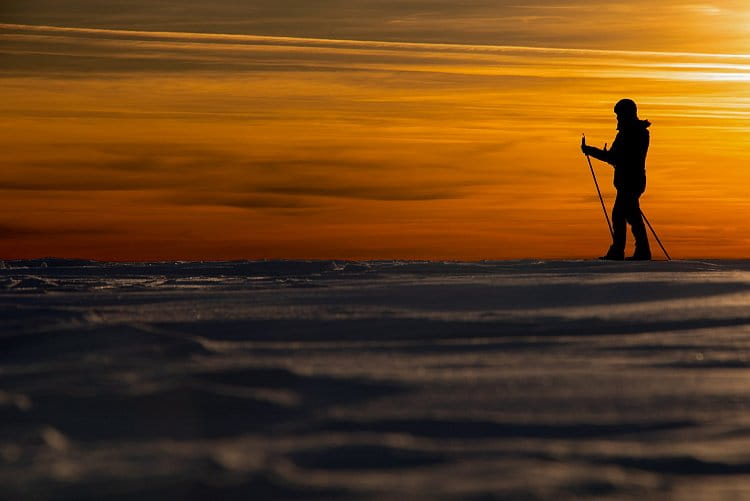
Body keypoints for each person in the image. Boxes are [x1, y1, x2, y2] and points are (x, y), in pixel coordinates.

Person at [581, 98, 652, 260]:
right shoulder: (639, 133)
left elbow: (614, 157)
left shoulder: (629, 134)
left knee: (620, 214)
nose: (617, 119)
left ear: (627, 114)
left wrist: (589, 150)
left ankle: (622, 250)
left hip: (630, 181)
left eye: (619, 115)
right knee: (630, 215)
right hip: (634, 180)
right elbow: (616, 157)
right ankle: (639, 250)